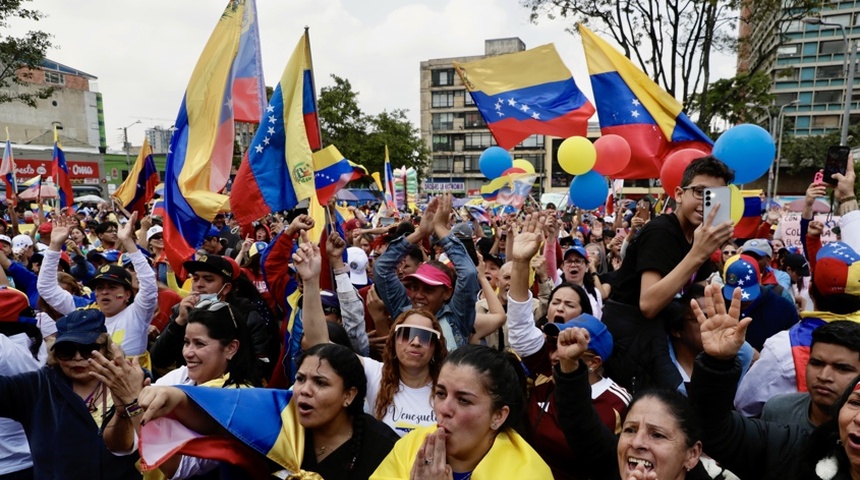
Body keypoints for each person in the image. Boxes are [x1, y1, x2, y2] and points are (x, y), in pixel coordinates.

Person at [138, 343, 399, 480]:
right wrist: (175, 396)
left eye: (320, 383)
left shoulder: (384, 448)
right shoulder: (278, 418)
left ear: (349, 395)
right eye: (300, 378)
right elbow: (218, 417)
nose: (304, 390)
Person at [506, 213, 629, 479]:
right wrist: (520, 263)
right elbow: (518, 328)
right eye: (555, 303)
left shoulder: (616, 403)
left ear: (594, 361)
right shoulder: (543, 370)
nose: (557, 352)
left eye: (569, 305)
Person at [602, 155, 735, 392]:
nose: (706, 202)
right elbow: (649, 303)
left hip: (666, 327)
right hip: (632, 334)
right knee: (680, 398)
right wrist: (697, 254)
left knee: (740, 352)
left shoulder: (698, 234)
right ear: (679, 194)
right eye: (699, 192)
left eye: (714, 197)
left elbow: (699, 291)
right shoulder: (661, 231)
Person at [296, 231, 446, 436]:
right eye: (406, 334)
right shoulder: (377, 376)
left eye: (426, 336)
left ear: (436, 346)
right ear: (393, 341)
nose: (416, 342)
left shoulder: (447, 387)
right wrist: (311, 281)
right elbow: (319, 343)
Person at [553, 325, 727, 480]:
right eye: (629, 430)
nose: (637, 443)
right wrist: (569, 364)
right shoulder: (612, 464)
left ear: (692, 454)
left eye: (657, 435)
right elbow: (578, 421)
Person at [370, 344, 552, 479]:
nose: (444, 409)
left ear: (498, 416)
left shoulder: (528, 473)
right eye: (440, 393)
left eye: (464, 400)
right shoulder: (410, 447)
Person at [0, 310, 142, 479]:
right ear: (54, 353)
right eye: (66, 350)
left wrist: (130, 400)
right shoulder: (37, 386)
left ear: (106, 348)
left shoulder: (133, 380)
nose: (77, 357)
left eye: (88, 349)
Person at [38, 213, 158, 366]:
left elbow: (149, 286)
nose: (105, 292)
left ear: (127, 294)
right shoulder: (84, 312)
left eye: (112, 287)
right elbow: (46, 288)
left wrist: (128, 242)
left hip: (130, 385)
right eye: (99, 287)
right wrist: (54, 245)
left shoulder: (138, 313)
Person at [373, 194, 479, 351]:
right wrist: (419, 233)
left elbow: (469, 274)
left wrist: (441, 229)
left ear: (447, 293)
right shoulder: (403, 309)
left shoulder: (457, 316)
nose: (418, 295)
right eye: (414, 287)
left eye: (429, 289)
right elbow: (381, 269)